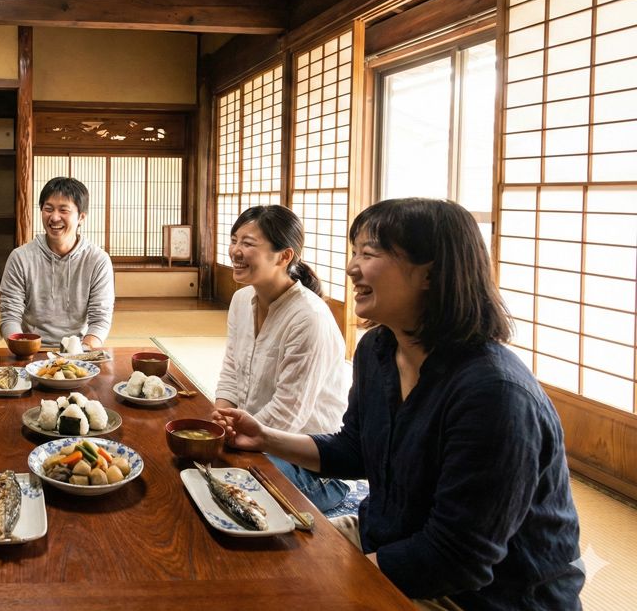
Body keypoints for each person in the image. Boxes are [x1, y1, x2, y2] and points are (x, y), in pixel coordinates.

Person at [214, 198, 583, 609]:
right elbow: (354, 450)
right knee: (241, 566)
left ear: (431, 273)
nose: (352, 267)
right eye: (354, 253)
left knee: (279, 593)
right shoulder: (378, 350)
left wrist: (328, 576)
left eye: (369, 254)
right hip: (388, 537)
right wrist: (264, 437)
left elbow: (458, 558)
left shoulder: (493, 394)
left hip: (481, 594)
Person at [214, 205, 350, 512]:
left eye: (248, 243)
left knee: (223, 492)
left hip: (312, 466)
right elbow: (231, 373)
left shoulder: (308, 317)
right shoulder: (241, 299)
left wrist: (229, 441)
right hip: (254, 442)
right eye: (234, 239)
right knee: (194, 464)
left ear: (284, 256)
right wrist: (217, 425)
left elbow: (290, 414)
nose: (235, 250)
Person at [0, 177, 115, 349]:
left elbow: (100, 318)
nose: (54, 217)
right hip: (29, 349)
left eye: (63, 210)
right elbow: (10, 315)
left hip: (79, 349)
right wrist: (23, 348)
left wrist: (81, 353)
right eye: (48, 209)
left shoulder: (98, 260)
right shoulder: (20, 257)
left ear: (81, 217)